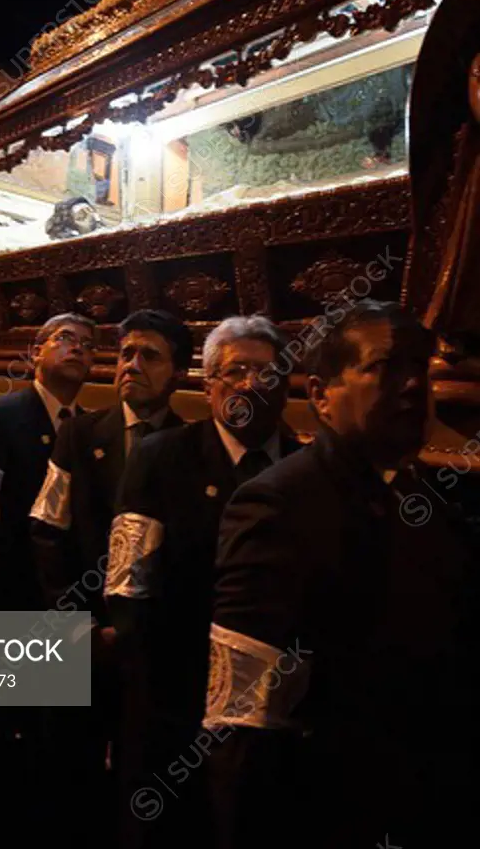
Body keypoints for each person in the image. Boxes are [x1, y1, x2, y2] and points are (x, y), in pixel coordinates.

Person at [204, 300, 477, 849]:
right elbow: (246, 718)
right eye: (383, 367)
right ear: (320, 396)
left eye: (419, 368)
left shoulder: (433, 492)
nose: (411, 385)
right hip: (329, 809)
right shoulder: (277, 503)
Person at [106, 315, 301, 848]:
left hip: (280, 709)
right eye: (237, 370)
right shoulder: (160, 456)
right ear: (209, 382)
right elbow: (128, 585)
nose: (252, 383)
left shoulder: (308, 468)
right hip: (176, 704)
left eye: (268, 371)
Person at [30, 308, 192, 846]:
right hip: (77, 636)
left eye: (149, 356)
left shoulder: (189, 448)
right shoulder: (78, 434)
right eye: (125, 354)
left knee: (140, 772)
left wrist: (134, 630)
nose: (132, 365)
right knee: (67, 770)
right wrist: (76, 625)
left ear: (179, 372)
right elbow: (48, 530)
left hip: (148, 646)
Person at [0, 313, 95, 849]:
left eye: (89, 344)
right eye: (66, 340)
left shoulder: (87, 425)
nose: (78, 349)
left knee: (53, 746)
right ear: (36, 352)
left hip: (64, 607)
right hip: (8, 604)